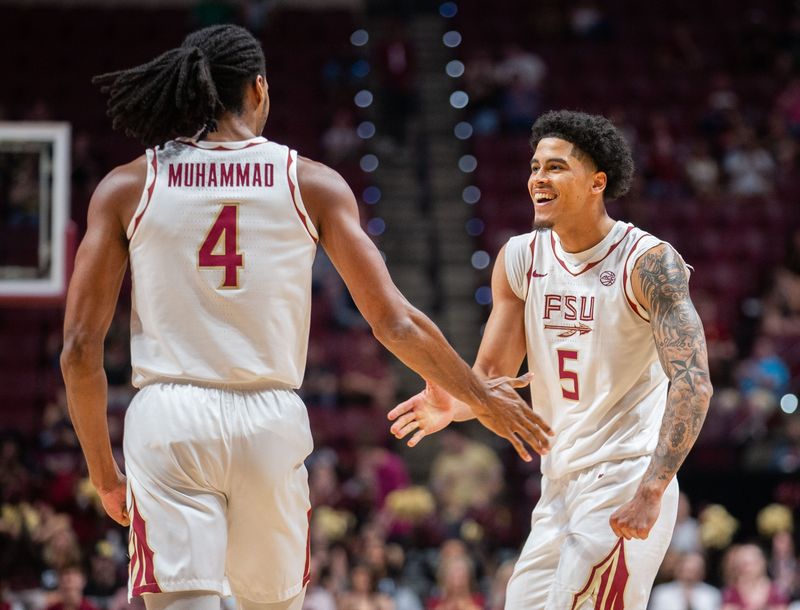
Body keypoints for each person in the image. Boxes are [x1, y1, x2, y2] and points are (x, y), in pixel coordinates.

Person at [60, 25, 552, 610]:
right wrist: (479, 394)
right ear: (260, 90)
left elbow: (79, 352)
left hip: (169, 417)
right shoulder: (310, 182)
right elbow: (394, 321)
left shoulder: (127, 185)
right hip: (270, 417)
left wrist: (104, 473)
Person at [389, 110, 713, 609]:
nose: (538, 179)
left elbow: (693, 383)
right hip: (558, 484)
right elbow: (491, 379)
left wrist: (652, 489)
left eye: (556, 167)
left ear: (596, 183)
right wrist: (453, 406)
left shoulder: (647, 262)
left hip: (625, 475)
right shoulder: (520, 258)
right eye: (535, 167)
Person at [649, 552, 721, 610]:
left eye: (695, 570)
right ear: (678, 570)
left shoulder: (712, 594)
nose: (690, 575)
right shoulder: (661, 592)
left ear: (703, 572)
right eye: (687, 570)